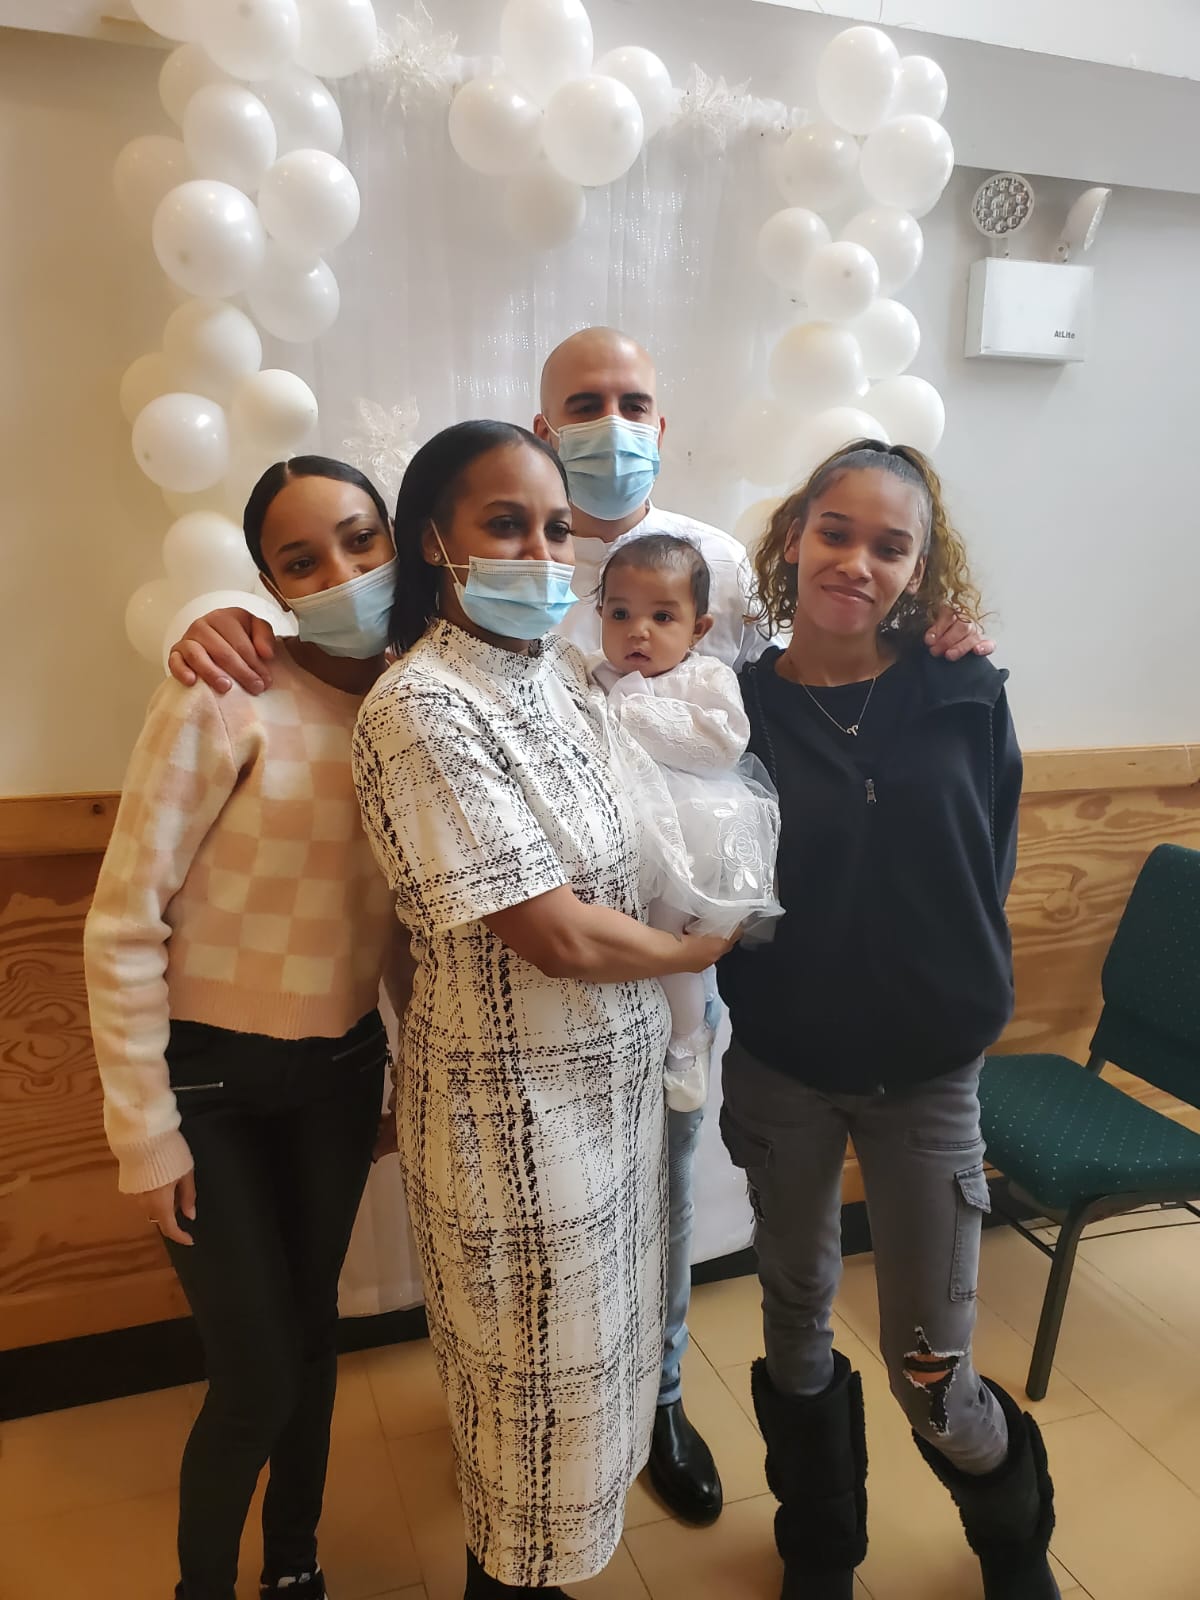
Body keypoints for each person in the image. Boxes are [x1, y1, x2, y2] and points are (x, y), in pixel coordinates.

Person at [164, 325, 991, 1531]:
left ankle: (658, 1410)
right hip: (544, 1025)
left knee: (652, 1240)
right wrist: (219, 613)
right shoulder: (464, 646)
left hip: (661, 1013)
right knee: (542, 1329)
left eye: (633, 402)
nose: (548, 543)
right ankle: (536, 1472)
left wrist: (942, 634)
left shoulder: (702, 575)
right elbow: (343, 620)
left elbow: (796, 685)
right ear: (540, 431)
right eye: (583, 407)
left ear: (661, 419)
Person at [349, 419, 734, 1595]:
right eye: (505, 524)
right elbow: (554, 932)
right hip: (513, 1115)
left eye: (557, 528)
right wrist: (703, 947)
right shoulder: (420, 704)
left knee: (596, 1380)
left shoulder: (563, 674)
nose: (541, 551)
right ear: (435, 541)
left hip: (616, 1087)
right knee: (531, 1409)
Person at [718, 440, 1057, 1600]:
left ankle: (1013, 1533)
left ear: (919, 568)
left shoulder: (962, 688)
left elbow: (987, 859)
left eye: (889, 545)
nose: (855, 561)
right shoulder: (732, 706)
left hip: (926, 1077)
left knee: (930, 1367)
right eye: (835, 531)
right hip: (783, 1067)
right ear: (793, 537)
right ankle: (820, 1549)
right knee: (795, 1321)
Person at [84, 457, 407, 1600]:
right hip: (208, 1087)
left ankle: (295, 1564)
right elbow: (123, 920)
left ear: (399, 539)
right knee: (256, 1374)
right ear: (269, 583)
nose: (343, 573)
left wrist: (405, 1078)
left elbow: (409, 921)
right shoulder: (224, 693)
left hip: (340, 1076)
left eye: (362, 539)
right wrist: (145, 1130)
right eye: (302, 560)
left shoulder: (419, 709)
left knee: (312, 1340)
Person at [588, 532, 782, 1111]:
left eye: (662, 616)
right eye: (620, 614)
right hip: (622, 832)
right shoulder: (592, 675)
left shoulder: (706, 678)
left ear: (698, 628)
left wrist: (630, 711)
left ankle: (687, 1039)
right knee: (622, 938)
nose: (638, 631)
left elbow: (721, 744)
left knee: (671, 942)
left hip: (692, 830)